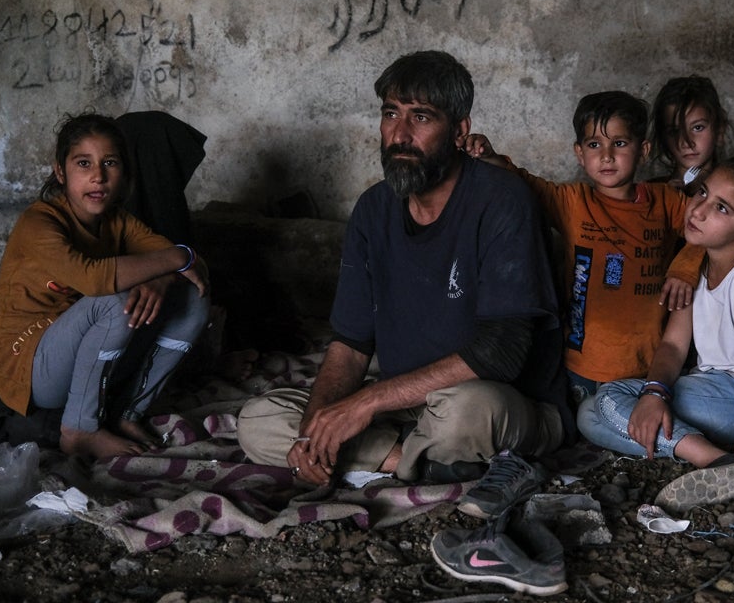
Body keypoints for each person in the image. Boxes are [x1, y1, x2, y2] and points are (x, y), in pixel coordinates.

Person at [236, 51, 569, 515]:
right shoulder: (373, 209)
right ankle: (422, 465)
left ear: (458, 131)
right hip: (407, 406)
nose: (400, 133)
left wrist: (366, 404)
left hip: (504, 404)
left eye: (421, 117)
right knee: (260, 420)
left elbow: (503, 351)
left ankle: (385, 460)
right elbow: (350, 344)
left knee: (467, 414)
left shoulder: (502, 200)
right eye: (390, 113)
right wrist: (315, 432)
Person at [576, 157, 734, 509]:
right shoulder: (693, 268)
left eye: (721, 207)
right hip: (714, 393)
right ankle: (725, 459)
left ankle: (716, 462)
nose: (697, 210)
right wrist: (654, 394)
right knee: (590, 415)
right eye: (701, 192)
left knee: (611, 398)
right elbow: (673, 344)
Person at [0, 113, 211, 461]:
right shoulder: (39, 221)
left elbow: (191, 266)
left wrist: (163, 277)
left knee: (192, 298)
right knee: (112, 300)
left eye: (110, 163)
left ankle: (128, 413)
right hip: (32, 366)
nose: (98, 176)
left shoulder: (118, 222)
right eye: (83, 163)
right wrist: (177, 258)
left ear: (124, 172)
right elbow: (94, 277)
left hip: (84, 352)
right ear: (61, 172)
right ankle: (78, 430)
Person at [465, 91, 703, 403]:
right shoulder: (573, 202)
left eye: (619, 143)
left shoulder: (665, 201)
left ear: (643, 150)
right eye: (594, 145)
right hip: (582, 365)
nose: (606, 155)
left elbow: (709, 228)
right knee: (588, 424)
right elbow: (523, 182)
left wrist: (685, 269)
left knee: (633, 420)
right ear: (579, 153)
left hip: (648, 365)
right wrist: (490, 157)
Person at [649, 76, 729, 190]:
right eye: (674, 131)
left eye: (698, 127)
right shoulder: (651, 194)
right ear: (664, 138)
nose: (686, 142)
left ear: (719, 130)